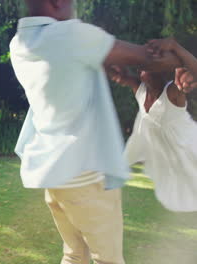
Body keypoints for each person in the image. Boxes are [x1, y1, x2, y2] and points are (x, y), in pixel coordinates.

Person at [10, 0, 183, 263]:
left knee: (74, 255)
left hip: (55, 175)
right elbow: (152, 60)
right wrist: (180, 50)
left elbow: (60, 74)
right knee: (108, 259)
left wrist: (93, 65)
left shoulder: (21, 42)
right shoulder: (72, 35)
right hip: (85, 174)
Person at [108, 38, 197, 212]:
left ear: (159, 71)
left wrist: (175, 46)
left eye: (146, 66)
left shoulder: (172, 92)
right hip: (169, 158)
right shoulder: (140, 90)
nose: (141, 68)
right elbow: (118, 74)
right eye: (141, 67)